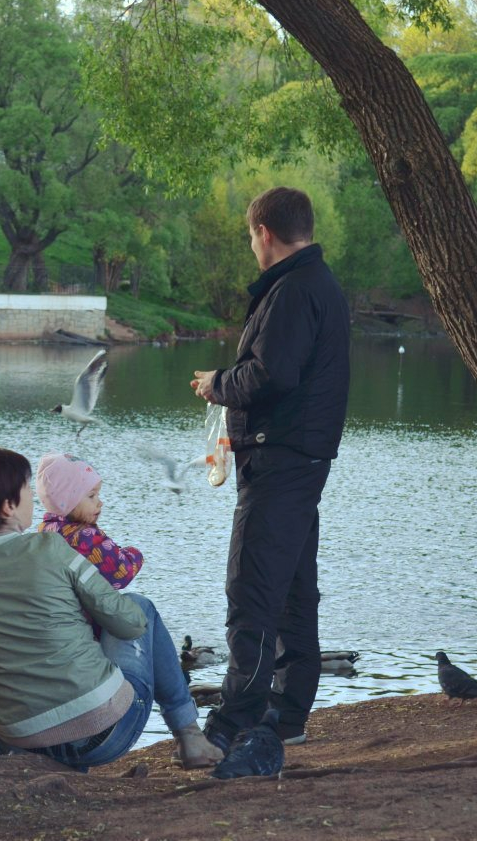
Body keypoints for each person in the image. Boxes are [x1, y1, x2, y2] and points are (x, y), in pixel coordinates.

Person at [0, 447, 222, 770]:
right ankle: (190, 736)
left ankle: (66, 770)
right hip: (103, 734)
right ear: (8, 506)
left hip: (18, 741)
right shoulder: (50, 548)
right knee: (139, 606)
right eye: (27, 489)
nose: (34, 497)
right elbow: (129, 624)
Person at [189, 186, 351, 752]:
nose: (252, 247)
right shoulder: (318, 283)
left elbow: (271, 373)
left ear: (264, 233)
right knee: (292, 591)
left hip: (280, 459)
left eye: (251, 237)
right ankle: (286, 716)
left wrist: (218, 384)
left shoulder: (293, 290)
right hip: (300, 457)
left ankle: (235, 722)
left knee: (252, 590)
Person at [36, 452, 144, 596]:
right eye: (92, 496)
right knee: (140, 603)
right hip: (83, 609)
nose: (100, 503)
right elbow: (120, 574)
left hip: (62, 604)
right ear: (68, 500)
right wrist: (134, 554)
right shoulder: (85, 537)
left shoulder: (45, 530)